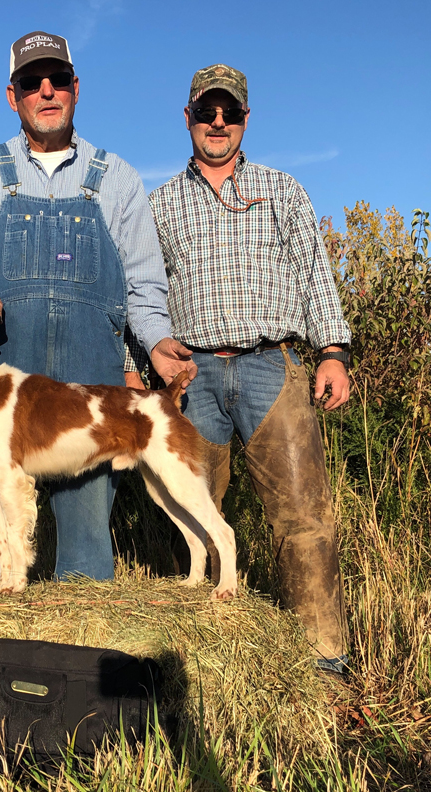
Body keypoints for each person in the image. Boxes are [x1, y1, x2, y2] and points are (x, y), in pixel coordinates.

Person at [0, 31, 187, 587]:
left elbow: (144, 280)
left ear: (76, 88)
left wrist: (158, 343)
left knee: (89, 521)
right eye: (31, 82)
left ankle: (83, 643)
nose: (46, 91)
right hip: (7, 372)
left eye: (58, 80)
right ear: (12, 94)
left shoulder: (115, 177)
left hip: (91, 371)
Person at [142, 63, 351, 671]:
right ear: (187, 118)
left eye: (227, 112)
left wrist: (332, 351)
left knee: (304, 518)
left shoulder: (282, 190)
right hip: (192, 377)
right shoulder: (160, 204)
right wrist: (139, 366)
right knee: (191, 513)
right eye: (205, 111)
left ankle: (326, 665)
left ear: (244, 120)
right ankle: (205, 666)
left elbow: (314, 272)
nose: (216, 122)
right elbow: (146, 294)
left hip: (272, 368)